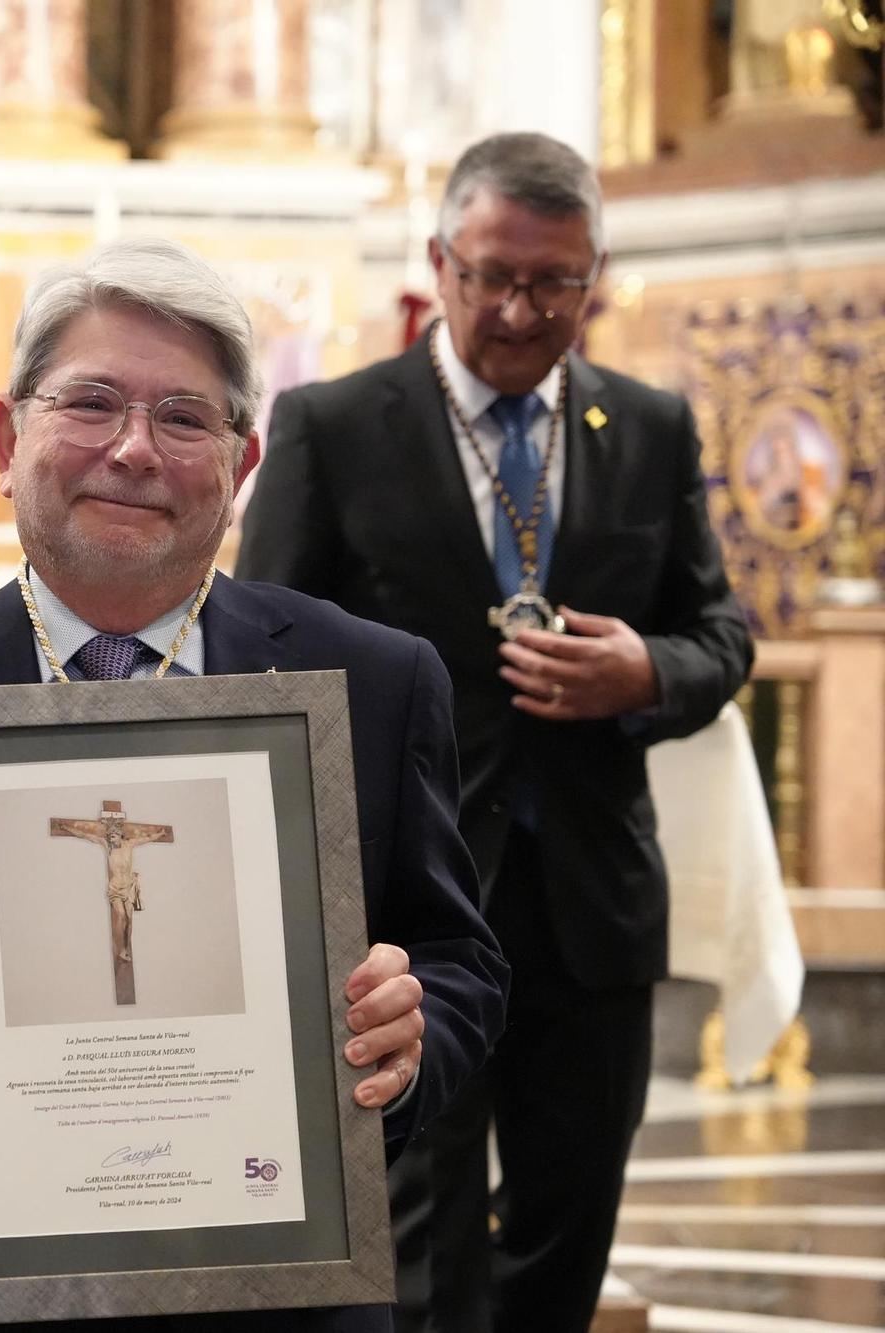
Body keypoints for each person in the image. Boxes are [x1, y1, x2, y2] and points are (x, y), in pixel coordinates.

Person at [0, 235, 509, 1332]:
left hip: (278, 1294)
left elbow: (460, 959)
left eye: (183, 417)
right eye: (88, 403)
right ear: (6, 438)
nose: (133, 450)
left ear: (239, 467)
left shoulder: (370, 685)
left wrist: (410, 1028)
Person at [237, 132, 754, 1333]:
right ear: (438, 262)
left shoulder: (652, 426)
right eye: (490, 277)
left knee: (568, 1226)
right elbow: (265, 650)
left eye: (554, 284)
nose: (519, 310)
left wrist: (644, 671)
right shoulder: (332, 423)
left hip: (588, 901)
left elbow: (718, 629)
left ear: (594, 277)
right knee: (419, 1243)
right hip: (402, 910)